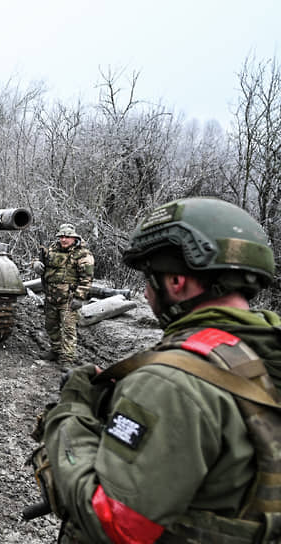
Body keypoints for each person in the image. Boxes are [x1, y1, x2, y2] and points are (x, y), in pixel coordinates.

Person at [37, 197, 281, 543]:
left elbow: (115, 525)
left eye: (149, 279)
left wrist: (71, 413)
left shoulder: (171, 383)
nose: (148, 293)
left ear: (177, 281)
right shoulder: (260, 353)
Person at [32, 223, 95, 365]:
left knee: (68, 330)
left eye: (67, 237)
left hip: (69, 298)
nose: (64, 239)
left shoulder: (83, 254)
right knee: (51, 325)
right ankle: (56, 350)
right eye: (61, 236)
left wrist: (79, 297)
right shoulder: (52, 250)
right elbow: (39, 261)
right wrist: (36, 264)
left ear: (74, 238)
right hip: (51, 296)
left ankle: (67, 359)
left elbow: (87, 279)